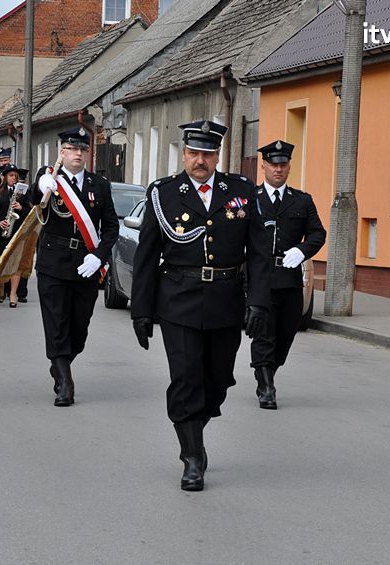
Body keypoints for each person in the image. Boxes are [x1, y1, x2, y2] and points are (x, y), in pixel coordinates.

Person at [130, 120, 270, 492]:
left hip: (226, 299)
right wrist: (141, 310)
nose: (199, 161)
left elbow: (258, 253)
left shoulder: (240, 191)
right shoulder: (164, 193)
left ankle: (194, 430)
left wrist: (258, 302)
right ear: (184, 154)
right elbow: (147, 256)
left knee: (218, 380)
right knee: (186, 377)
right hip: (178, 300)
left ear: (217, 155)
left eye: (207, 154)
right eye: (193, 153)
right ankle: (191, 457)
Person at [32, 127, 119, 406]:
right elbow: (32, 202)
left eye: (83, 149)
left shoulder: (99, 185)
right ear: (63, 152)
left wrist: (99, 256)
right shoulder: (50, 178)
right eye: (72, 149)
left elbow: (111, 227)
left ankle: (60, 363)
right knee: (56, 322)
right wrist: (42, 186)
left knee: (79, 328)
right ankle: (65, 382)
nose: (78, 154)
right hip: (53, 263)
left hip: (85, 264)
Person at [249, 140, 326, 410]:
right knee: (264, 333)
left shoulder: (301, 201)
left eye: (283, 164)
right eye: (273, 164)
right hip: (259, 278)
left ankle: (268, 370)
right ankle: (266, 386)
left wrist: (302, 250)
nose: (278, 169)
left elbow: (318, 233)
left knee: (285, 334)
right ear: (264, 167)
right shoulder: (251, 199)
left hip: (290, 278)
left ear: (289, 167)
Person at [0, 164, 30, 307]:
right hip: (1, 232)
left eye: (16, 176)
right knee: (2, 261)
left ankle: (13, 293)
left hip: (17, 231)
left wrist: (21, 208)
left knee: (15, 263)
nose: (13, 178)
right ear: (5, 177)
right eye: (11, 175)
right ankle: (1, 285)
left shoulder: (22, 192)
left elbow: (29, 212)